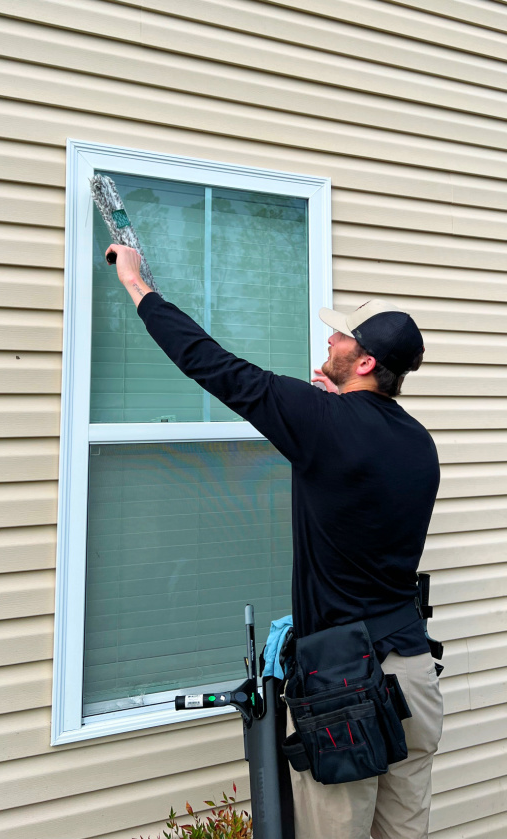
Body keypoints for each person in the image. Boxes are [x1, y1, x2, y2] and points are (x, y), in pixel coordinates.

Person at [107, 244, 443, 839]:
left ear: (364, 362)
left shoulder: (321, 419)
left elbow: (210, 364)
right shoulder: (418, 442)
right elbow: (359, 470)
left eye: (342, 339)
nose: (331, 343)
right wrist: (332, 408)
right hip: (413, 673)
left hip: (347, 684)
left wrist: (138, 287)